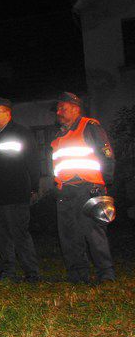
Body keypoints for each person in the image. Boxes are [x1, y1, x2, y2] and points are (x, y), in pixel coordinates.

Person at [52, 92, 116, 284]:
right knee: (69, 236)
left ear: (75, 108)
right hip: (66, 192)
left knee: (94, 234)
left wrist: (103, 184)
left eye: (63, 108)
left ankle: (106, 275)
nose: (59, 112)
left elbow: (107, 156)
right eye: (58, 108)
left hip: (88, 189)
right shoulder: (59, 135)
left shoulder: (89, 127)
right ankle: (78, 276)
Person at [0, 97, 41, 282]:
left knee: (19, 234)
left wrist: (34, 187)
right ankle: (8, 271)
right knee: (3, 236)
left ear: (8, 113)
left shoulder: (21, 133)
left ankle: (31, 273)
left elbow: (33, 161)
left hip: (16, 193)